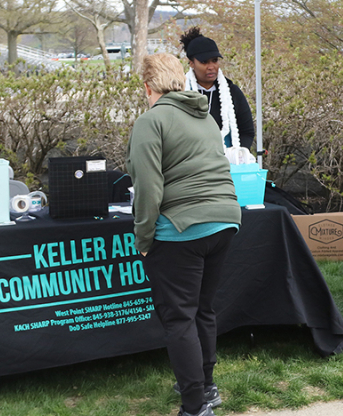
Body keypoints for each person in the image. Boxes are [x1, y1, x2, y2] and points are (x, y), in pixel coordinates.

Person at [126, 53, 242, 416]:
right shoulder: (205, 117)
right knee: (203, 310)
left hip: (180, 230)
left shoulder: (151, 121)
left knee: (179, 318)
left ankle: (194, 406)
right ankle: (206, 387)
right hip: (224, 221)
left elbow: (147, 189)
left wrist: (143, 239)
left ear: (148, 87)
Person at [180, 27, 255, 149]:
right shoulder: (180, 93)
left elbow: (247, 132)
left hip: (227, 162)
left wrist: (236, 156)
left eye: (214, 60)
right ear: (191, 63)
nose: (211, 67)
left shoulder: (232, 92)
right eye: (204, 62)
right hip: (191, 163)